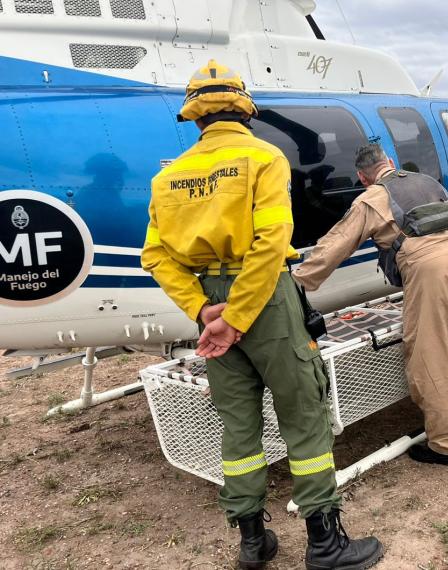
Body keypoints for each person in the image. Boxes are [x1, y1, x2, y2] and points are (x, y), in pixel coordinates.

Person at [141, 60, 383, 570]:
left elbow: (156, 256)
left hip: (207, 303)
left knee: (237, 424)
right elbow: (272, 241)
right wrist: (241, 312)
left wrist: (206, 310)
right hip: (263, 296)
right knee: (304, 412)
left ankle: (253, 542)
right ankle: (324, 542)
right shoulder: (264, 158)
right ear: (243, 109)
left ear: (195, 116)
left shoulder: (168, 177)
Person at [293, 144, 448, 467]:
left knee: (431, 353)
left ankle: (446, 445)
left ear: (362, 177)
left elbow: (336, 245)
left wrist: (297, 282)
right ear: (389, 162)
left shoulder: (372, 197)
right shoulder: (428, 182)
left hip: (432, 269)